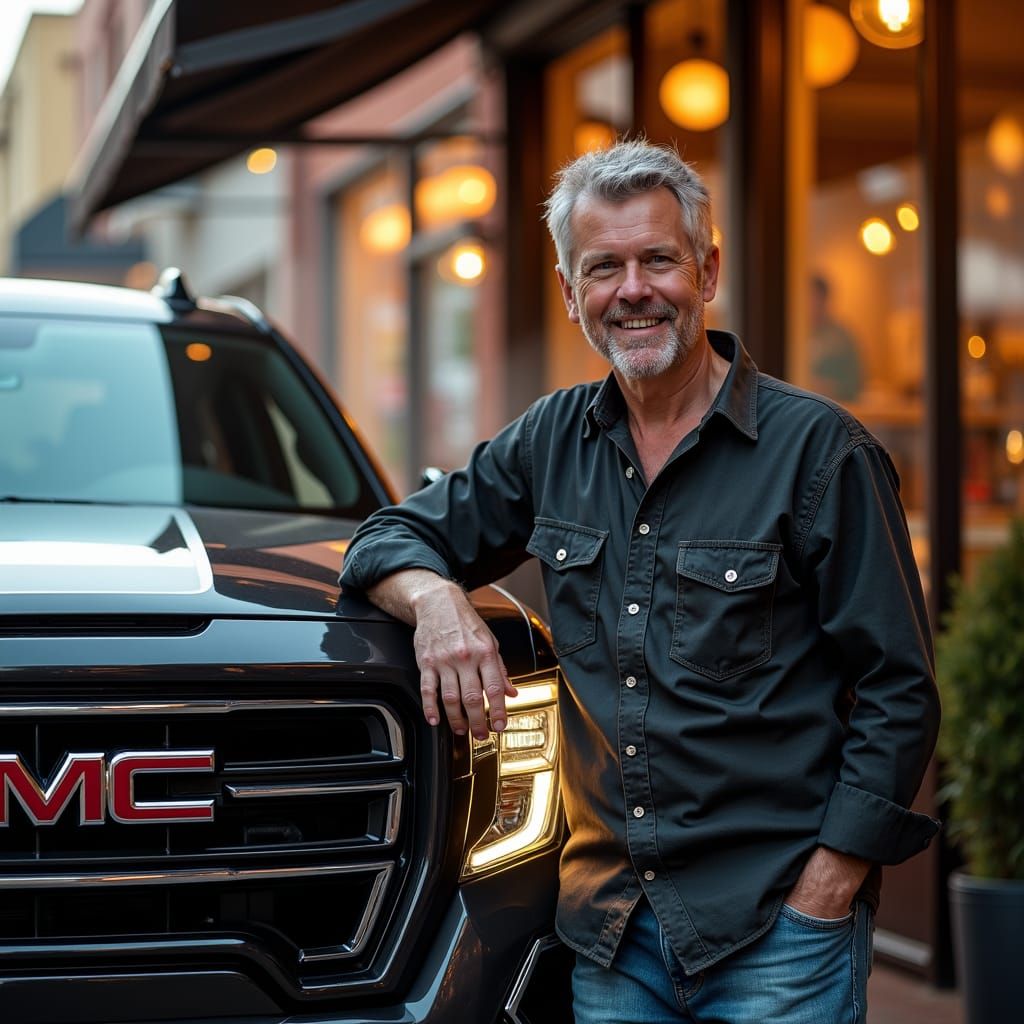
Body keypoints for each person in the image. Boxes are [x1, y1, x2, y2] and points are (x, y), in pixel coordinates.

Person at [339, 140, 940, 1023]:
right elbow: (387, 537)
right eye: (604, 268)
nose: (634, 290)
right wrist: (435, 601)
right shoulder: (551, 441)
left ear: (707, 269)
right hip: (612, 936)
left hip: (776, 930)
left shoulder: (820, 452)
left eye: (658, 258)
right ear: (569, 291)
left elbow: (900, 689)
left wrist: (829, 885)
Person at [808, 273, 864, 403]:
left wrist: (826, 388)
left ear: (823, 300)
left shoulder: (842, 339)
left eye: (812, 297)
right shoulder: (797, 336)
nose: (807, 303)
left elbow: (855, 385)